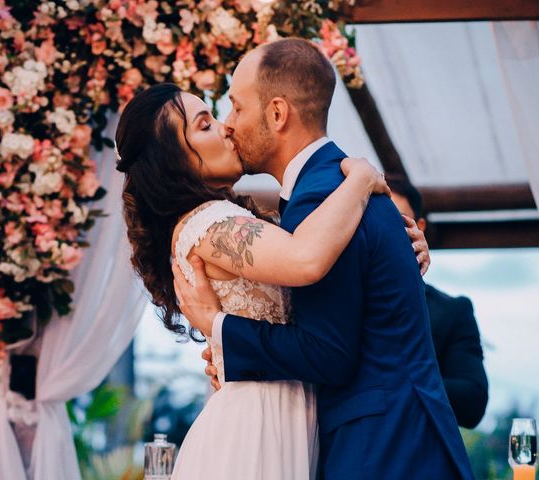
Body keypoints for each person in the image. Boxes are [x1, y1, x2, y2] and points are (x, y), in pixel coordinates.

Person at [172, 38, 476, 479]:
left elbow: (327, 351)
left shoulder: (322, 198)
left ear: (277, 114)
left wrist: (219, 329)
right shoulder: (333, 190)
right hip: (395, 438)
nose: (229, 124)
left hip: (385, 449)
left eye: (236, 108)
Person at [115, 84, 429, 478]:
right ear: (173, 160)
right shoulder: (209, 224)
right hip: (254, 428)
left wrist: (400, 249)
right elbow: (306, 258)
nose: (226, 128)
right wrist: (361, 180)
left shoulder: (230, 218)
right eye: (205, 125)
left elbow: (327, 270)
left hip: (288, 414)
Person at [387, 175, 489, 428]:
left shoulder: (451, 311)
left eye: (395, 221)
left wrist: (398, 380)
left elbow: (473, 401)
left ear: (418, 226)